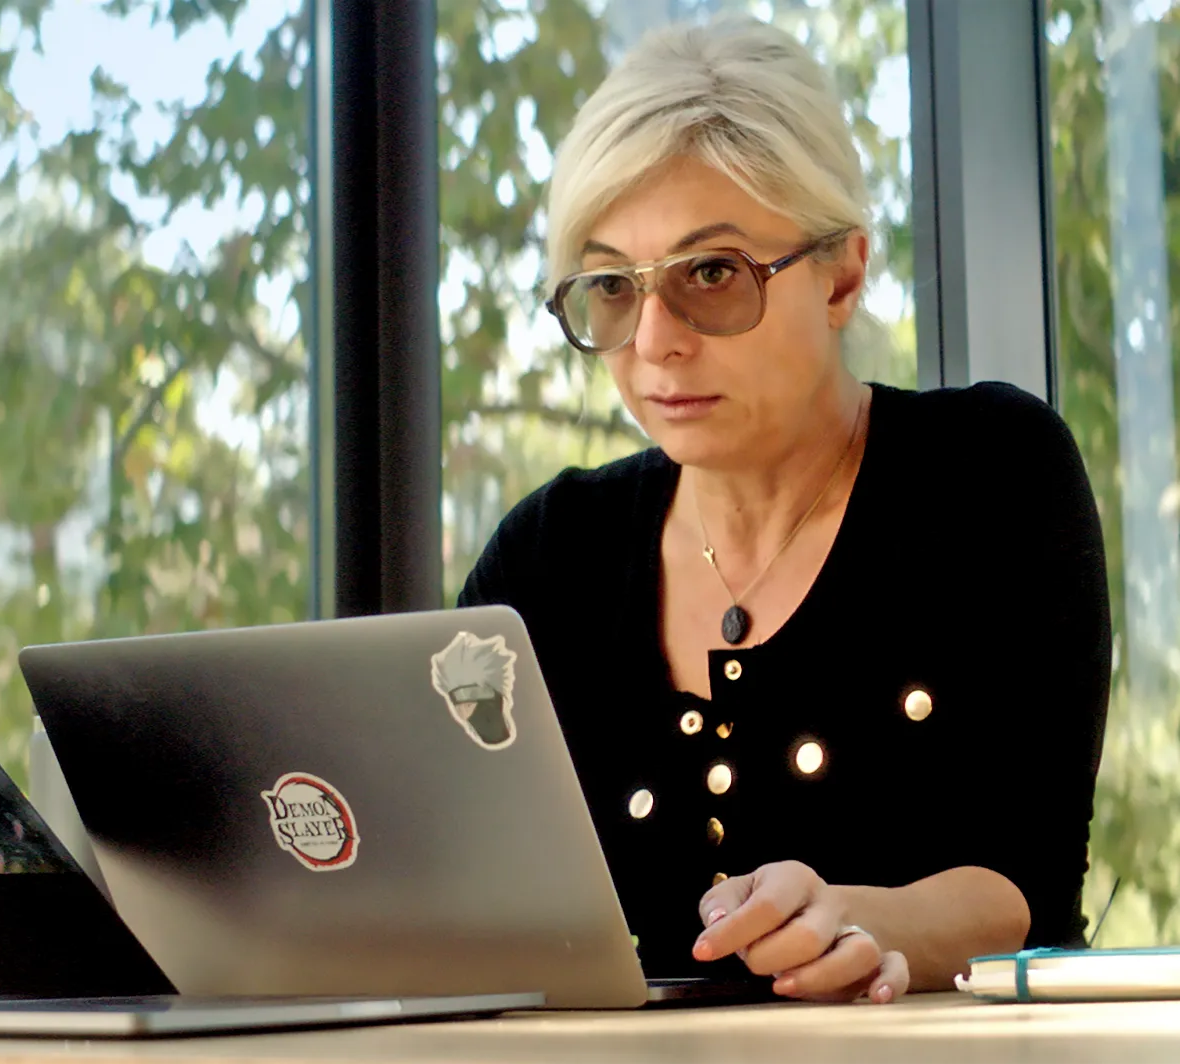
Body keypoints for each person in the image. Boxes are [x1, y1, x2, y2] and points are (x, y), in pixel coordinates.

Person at [457, 17, 1110, 1004]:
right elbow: (442, 875)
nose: (656, 341)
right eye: (611, 288)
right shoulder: (550, 556)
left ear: (843, 274)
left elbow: (1026, 874)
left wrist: (863, 920)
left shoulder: (990, 473)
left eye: (710, 274)